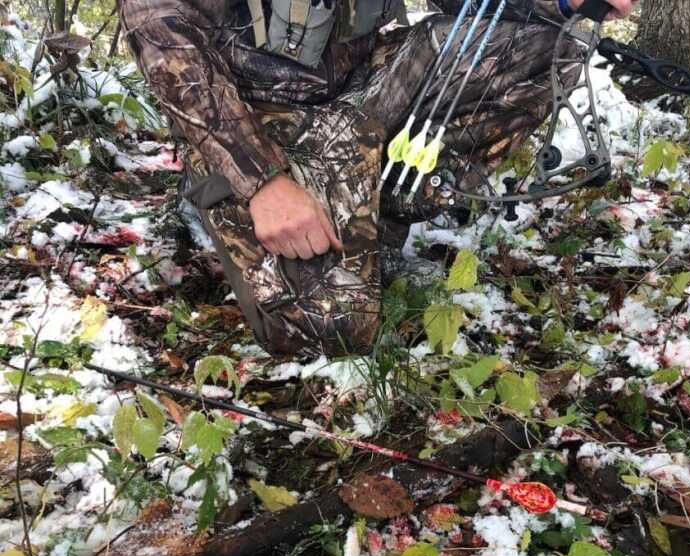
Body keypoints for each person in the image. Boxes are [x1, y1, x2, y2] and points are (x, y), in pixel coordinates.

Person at [118, 0, 636, 358]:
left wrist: (562, 5)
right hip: (256, 126)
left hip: (364, 95)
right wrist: (264, 184)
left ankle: (381, 207)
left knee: (546, 49)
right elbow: (175, 59)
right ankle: (218, 204)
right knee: (334, 329)